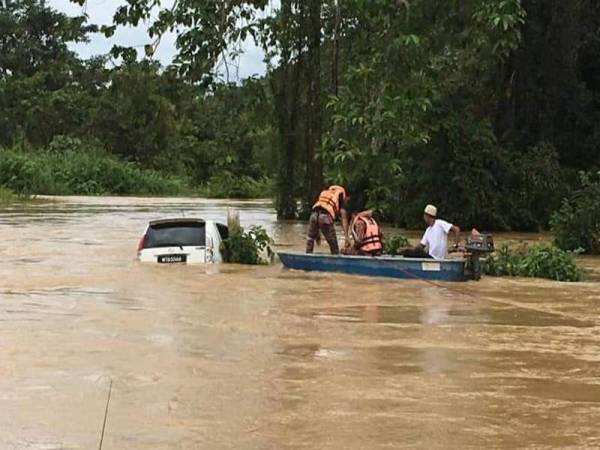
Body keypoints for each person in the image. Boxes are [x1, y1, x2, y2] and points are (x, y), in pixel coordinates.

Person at [306, 185, 350, 254]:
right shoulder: (341, 196)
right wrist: (347, 237)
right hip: (325, 217)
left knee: (310, 239)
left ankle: (307, 256)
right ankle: (336, 261)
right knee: (333, 245)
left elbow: (319, 213)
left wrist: (317, 234)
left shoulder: (325, 192)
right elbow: (344, 218)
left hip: (313, 215)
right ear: (347, 197)